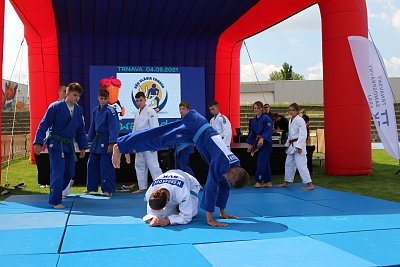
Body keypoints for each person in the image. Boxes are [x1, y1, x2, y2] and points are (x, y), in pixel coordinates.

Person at [112, 109, 249, 227]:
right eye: (231, 180)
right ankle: (120, 146)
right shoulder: (223, 162)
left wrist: (222, 212)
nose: (228, 181)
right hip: (194, 127)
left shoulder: (232, 164)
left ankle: (124, 146)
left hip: (195, 133)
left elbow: (224, 187)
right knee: (159, 137)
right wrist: (210, 219)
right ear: (235, 172)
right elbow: (211, 187)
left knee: (160, 141)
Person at [33, 82, 88, 208]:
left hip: (69, 145)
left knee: (69, 173)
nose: (77, 98)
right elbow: (44, 124)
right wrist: (38, 142)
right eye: (75, 95)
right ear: (67, 94)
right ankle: (56, 200)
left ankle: (55, 191)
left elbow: (80, 129)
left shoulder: (78, 110)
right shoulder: (55, 107)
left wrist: (82, 146)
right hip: (56, 144)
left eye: (79, 96)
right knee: (57, 173)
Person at [86, 89, 119, 196]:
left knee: (106, 166)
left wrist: (112, 143)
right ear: (98, 98)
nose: (103, 100)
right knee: (92, 164)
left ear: (108, 99)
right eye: (101, 98)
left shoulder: (111, 111)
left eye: (105, 99)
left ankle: (107, 190)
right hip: (97, 140)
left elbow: (114, 128)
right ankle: (91, 187)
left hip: (107, 139)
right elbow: (92, 127)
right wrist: (87, 140)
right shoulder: (96, 110)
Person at [132, 91, 163, 194]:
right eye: (137, 101)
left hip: (149, 142)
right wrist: (132, 141)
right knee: (139, 164)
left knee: (153, 165)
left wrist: (154, 142)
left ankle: (160, 187)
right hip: (139, 142)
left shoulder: (151, 111)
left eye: (140, 100)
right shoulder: (137, 113)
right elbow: (134, 129)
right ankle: (142, 187)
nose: (139, 102)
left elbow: (155, 127)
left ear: (145, 99)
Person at [278, 103, 314, 190]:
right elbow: (290, 135)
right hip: (291, 145)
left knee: (301, 165)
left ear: (297, 111)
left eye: (293, 110)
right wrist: (287, 144)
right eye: (289, 110)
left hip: (298, 144)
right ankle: (286, 181)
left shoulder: (300, 120)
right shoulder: (291, 120)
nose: (291, 112)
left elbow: (303, 134)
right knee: (289, 164)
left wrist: (300, 147)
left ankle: (309, 184)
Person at [247, 101, 273, 188]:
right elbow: (252, 133)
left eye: (258, 108)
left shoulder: (267, 118)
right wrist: (250, 144)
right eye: (254, 108)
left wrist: (262, 138)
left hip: (266, 143)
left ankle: (258, 181)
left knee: (261, 161)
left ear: (262, 108)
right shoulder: (253, 120)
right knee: (265, 162)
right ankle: (268, 182)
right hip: (257, 142)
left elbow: (268, 131)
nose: (256, 110)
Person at [175, 101, 195, 176]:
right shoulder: (181, 121)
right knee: (178, 166)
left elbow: (190, 133)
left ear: (188, 110)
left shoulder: (191, 120)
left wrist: (179, 136)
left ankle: (194, 183)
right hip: (179, 146)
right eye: (180, 109)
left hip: (186, 146)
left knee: (184, 165)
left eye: (183, 109)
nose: (181, 111)